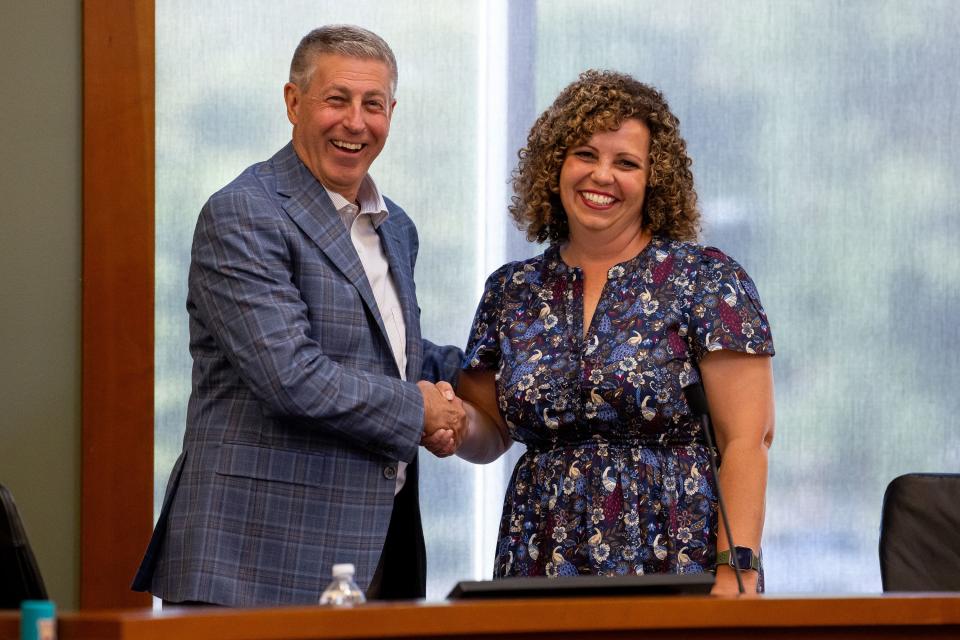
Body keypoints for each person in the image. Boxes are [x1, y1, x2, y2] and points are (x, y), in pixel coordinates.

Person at [132, 25, 464, 607]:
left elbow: (385, 350)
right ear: (293, 102)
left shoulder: (396, 227)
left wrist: (493, 377)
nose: (355, 122)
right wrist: (420, 409)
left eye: (374, 105)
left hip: (372, 559)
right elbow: (291, 375)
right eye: (336, 100)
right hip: (253, 563)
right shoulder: (244, 212)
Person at [454, 70, 775, 595]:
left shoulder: (708, 280)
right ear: (555, 166)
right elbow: (488, 429)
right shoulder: (509, 291)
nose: (601, 175)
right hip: (540, 557)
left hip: (680, 558)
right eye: (585, 154)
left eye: (625, 162)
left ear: (654, 180)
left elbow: (748, 439)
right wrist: (447, 423)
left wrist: (735, 571)